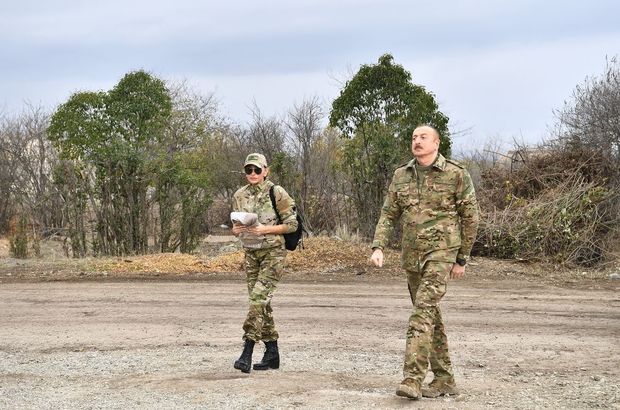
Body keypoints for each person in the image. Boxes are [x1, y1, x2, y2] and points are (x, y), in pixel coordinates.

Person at [370, 125, 480, 400]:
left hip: (443, 253)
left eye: (423, 137)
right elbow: (388, 213)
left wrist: (462, 258)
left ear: (437, 143)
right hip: (413, 256)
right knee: (431, 315)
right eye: (413, 137)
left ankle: (413, 379)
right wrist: (378, 245)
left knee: (421, 312)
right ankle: (444, 379)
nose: (417, 142)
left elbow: (470, 218)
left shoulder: (456, 173)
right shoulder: (401, 175)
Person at [231, 153, 298, 373]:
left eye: (257, 170)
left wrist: (266, 229)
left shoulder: (276, 192)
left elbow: (292, 225)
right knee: (261, 302)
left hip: (273, 253)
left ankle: (247, 351)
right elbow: (234, 226)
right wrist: (237, 230)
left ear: (265, 171)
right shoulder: (239, 195)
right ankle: (272, 353)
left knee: (258, 298)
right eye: (249, 170)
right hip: (251, 252)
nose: (252, 174)